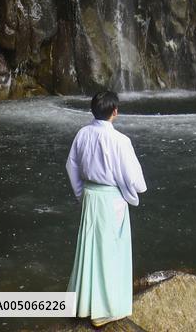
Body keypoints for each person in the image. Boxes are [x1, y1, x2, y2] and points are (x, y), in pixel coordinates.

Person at [65, 91, 147, 328]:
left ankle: (83, 303)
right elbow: (134, 178)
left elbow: (71, 165)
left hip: (91, 196)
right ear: (115, 112)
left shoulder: (82, 134)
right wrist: (135, 190)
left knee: (88, 248)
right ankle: (105, 309)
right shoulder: (120, 140)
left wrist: (82, 193)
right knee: (110, 252)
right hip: (111, 199)